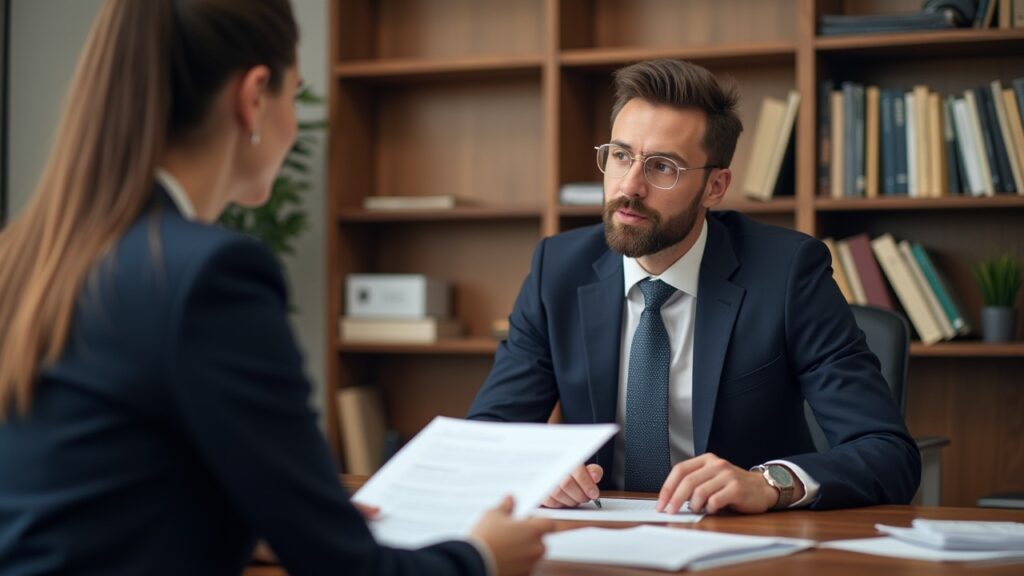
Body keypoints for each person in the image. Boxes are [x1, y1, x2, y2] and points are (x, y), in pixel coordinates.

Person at [0, 1, 553, 574]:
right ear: (254, 97)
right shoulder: (208, 276)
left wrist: (253, 527)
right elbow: (347, 570)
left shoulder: (28, 258)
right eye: (296, 93)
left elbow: (96, 499)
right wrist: (483, 556)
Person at [468, 59, 921, 515]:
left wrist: (769, 483)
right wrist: (533, 469)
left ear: (715, 187)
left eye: (663, 167)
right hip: (598, 538)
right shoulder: (559, 270)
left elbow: (887, 451)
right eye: (621, 156)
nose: (630, 186)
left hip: (743, 541)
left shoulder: (786, 273)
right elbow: (487, 436)